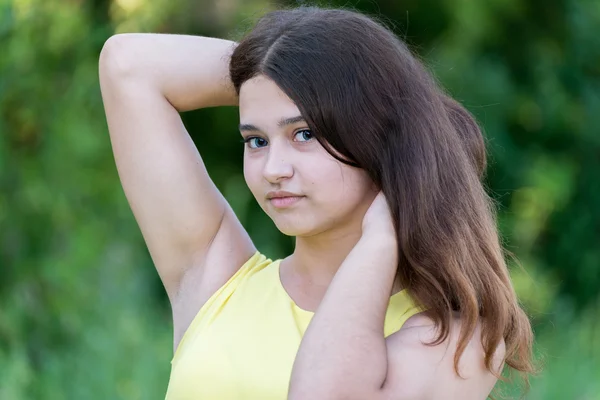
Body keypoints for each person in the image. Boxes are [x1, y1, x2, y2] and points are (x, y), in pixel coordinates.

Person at [99, 6, 535, 399]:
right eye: (255, 140)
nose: (273, 168)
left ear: (372, 134)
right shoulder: (214, 278)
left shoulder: (459, 336)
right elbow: (128, 65)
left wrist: (382, 238)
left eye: (304, 134)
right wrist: (279, 70)